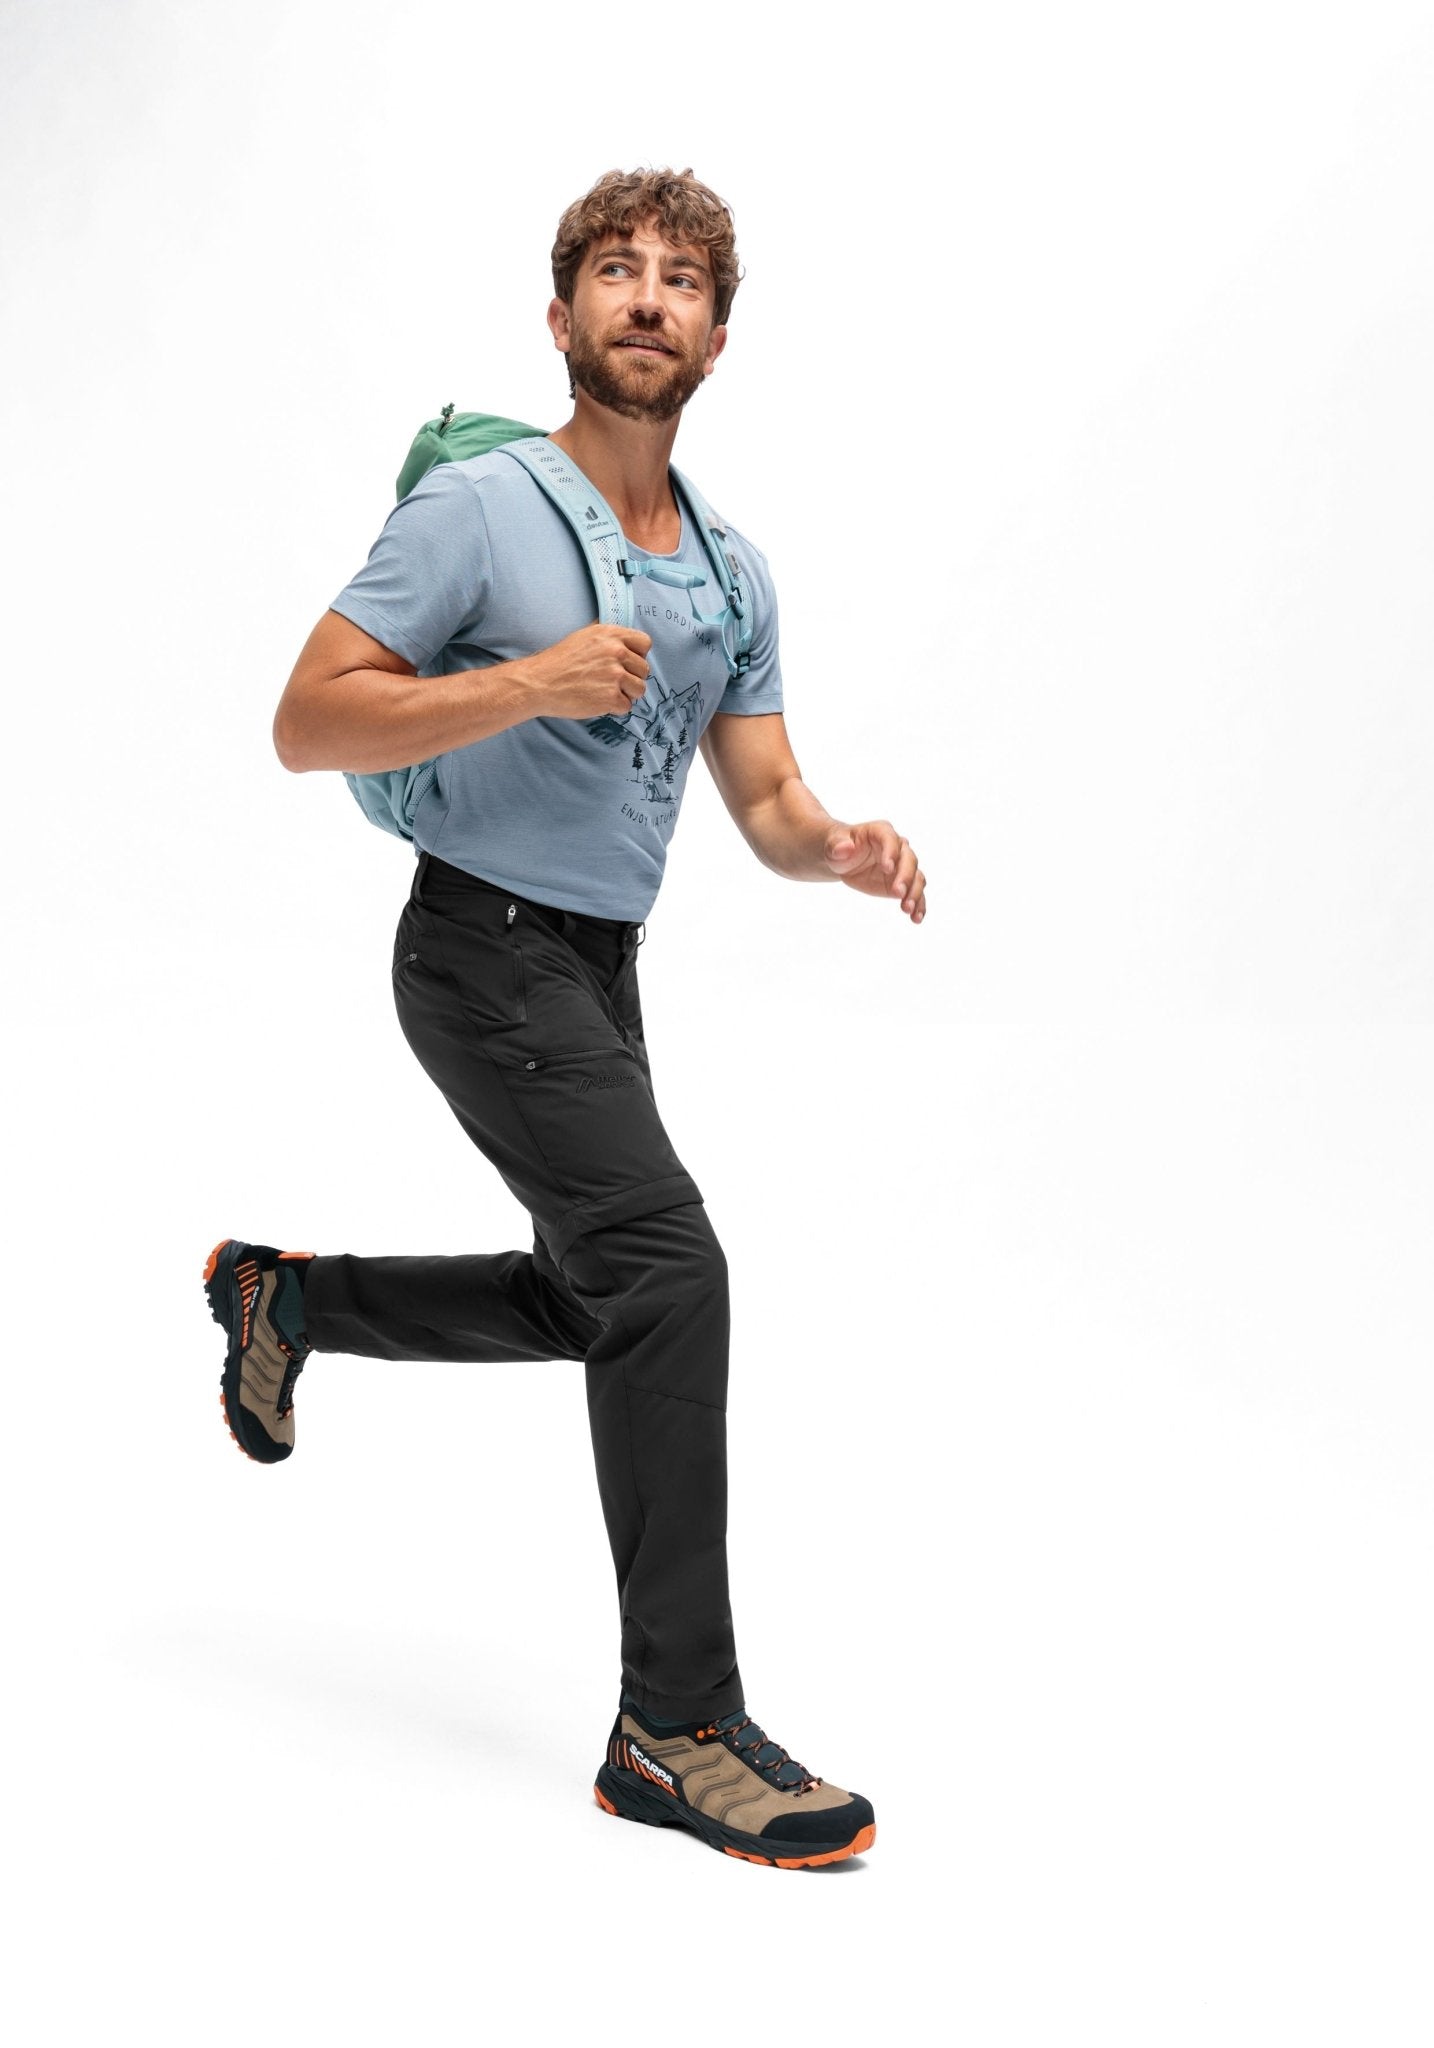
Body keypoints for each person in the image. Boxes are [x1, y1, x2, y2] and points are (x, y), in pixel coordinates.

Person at [203, 166, 925, 1869]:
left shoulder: (733, 573)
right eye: (616, 270)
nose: (647, 296)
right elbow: (307, 720)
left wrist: (835, 846)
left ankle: (286, 1299)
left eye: (681, 279)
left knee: (598, 1293)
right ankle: (674, 1728)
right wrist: (524, 681)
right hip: (479, 949)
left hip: (598, 967)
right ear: (561, 317)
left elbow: (764, 800)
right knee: (667, 1272)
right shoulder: (480, 510)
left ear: (716, 340)